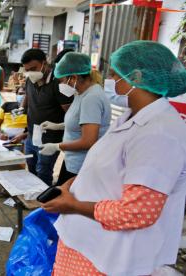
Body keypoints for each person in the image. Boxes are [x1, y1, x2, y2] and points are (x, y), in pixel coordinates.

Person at [42, 40, 186, 276]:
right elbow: (110, 168)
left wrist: (73, 204)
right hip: (85, 242)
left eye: (115, 73)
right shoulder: (133, 116)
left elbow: (137, 212)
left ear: (137, 77)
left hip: (106, 254)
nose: (108, 77)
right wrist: (74, 185)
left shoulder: (160, 134)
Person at [39, 52, 111, 185]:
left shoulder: (91, 98)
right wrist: (57, 125)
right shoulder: (81, 93)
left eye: (61, 81)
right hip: (73, 161)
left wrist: (56, 146)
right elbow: (81, 122)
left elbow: (88, 141)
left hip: (82, 166)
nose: (60, 85)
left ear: (73, 77)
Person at [15, 49, 73, 186]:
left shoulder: (59, 83)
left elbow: (70, 113)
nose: (30, 72)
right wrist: (22, 107)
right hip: (31, 134)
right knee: (31, 167)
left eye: (34, 68)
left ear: (44, 63)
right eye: (27, 69)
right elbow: (28, 95)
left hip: (51, 138)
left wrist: (59, 127)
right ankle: (35, 197)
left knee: (43, 171)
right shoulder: (30, 78)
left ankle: (44, 203)